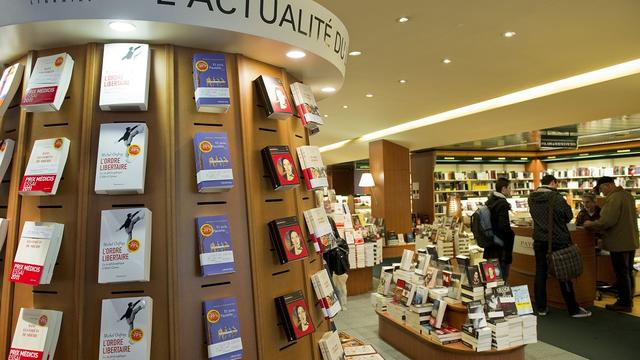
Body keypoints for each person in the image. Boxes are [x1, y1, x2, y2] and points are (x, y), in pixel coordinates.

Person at [528, 175, 591, 318]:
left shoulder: (531, 198)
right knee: (564, 274)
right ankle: (573, 309)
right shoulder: (556, 198)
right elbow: (568, 216)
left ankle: (541, 308)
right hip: (557, 240)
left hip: (539, 240)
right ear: (552, 183)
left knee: (540, 273)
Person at [584, 176, 639, 312]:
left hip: (618, 241)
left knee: (621, 272)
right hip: (630, 240)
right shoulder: (627, 196)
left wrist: (590, 224)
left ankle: (624, 303)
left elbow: (607, 221)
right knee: (628, 271)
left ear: (608, 185)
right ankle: (628, 299)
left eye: (601, 188)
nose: (602, 192)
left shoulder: (614, 198)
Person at [484, 178, 515, 281]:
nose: (510, 190)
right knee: (502, 279)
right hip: (501, 249)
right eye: (509, 188)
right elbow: (504, 227)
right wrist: (512, 234)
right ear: (503, 189)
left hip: (490, 245)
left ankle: (490, 296)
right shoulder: (502, 204)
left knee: (491, 278)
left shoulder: (490, 201)